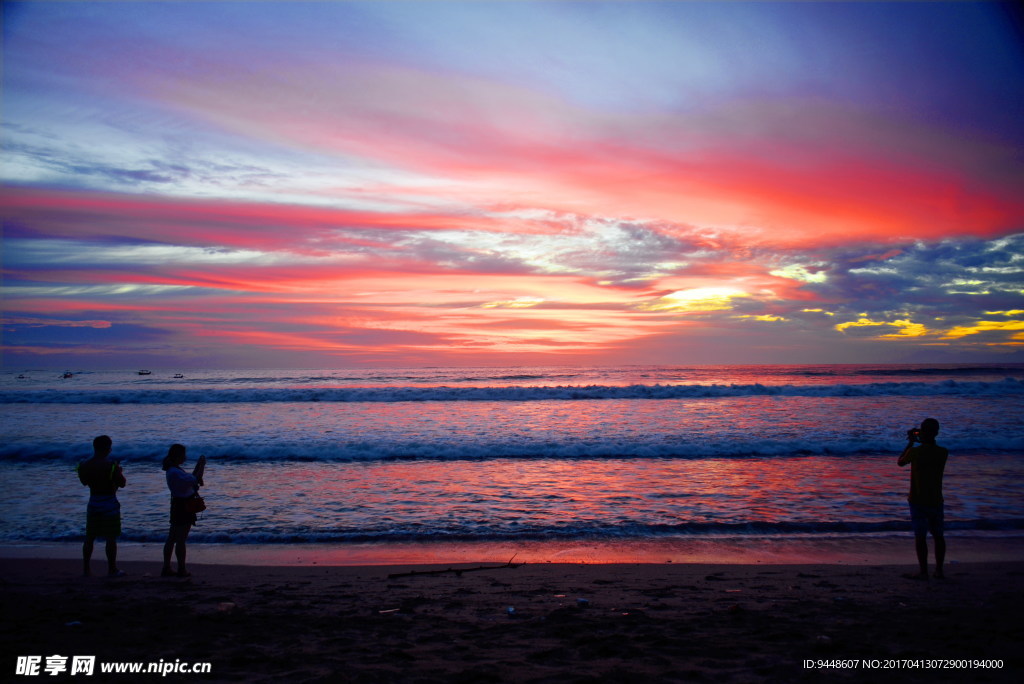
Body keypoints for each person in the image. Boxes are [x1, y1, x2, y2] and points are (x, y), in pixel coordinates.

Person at [897, 418, 949, 579]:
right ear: (937, 432)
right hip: (936, 500)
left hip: (917, 499)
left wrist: (911, 442)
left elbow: (900, 462)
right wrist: (919, 439)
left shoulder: (914, 452)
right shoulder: (943, 452)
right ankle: (939, 570)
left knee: (921, 537)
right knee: (938, 536)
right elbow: (930, 448)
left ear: (923, 432)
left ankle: (923, 571)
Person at [78, 435, 127, 577]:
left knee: (90, 537)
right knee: (110, 538)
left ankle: (86, 569)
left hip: (93, 501)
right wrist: (119, 471)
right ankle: (112, 569)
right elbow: (122, 483)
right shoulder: (111, 465)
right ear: (107, 447)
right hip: (109, 502)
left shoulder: (84, 464)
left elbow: (84, 482)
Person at [161, 444, 206, 578]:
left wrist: (199, 466)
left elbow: (191, 479)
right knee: (180, 539)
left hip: (178, 504)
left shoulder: (173, 470)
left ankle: (167, 567)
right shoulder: (175, 472)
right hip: (183, 506)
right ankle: (181, 569)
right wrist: (201, 465)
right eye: (183, 455)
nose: (185, 457)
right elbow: (194, 479)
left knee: (172, 538)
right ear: (178, 456)